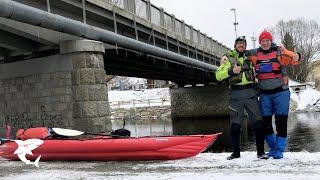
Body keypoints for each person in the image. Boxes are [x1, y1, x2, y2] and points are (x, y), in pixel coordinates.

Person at [247, 30, 301, 159]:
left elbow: (296, 58)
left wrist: (287, 51)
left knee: (281, 122)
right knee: (265, 123)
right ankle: (273, 147)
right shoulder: (255, 54)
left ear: (271, 41)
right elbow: (240, 54)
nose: (265, 43)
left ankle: (279, 149)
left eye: (267, 40)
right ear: (260, 43)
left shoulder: (279, 52)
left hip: (281, 92)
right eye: (262, 41)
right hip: (265, 95)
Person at [215, 36, 268, 160]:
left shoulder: (250, 56)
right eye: (239, 43)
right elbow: (218, 75)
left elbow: (265, 48)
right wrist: (231, 71)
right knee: (235, 125)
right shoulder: (227, 58)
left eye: (243, 44)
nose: (241, 45)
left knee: (258, 123)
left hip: (250, 93)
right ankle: (236, 153)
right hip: (235, 94)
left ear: (245, 46)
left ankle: (261, 153)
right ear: (235, 45)